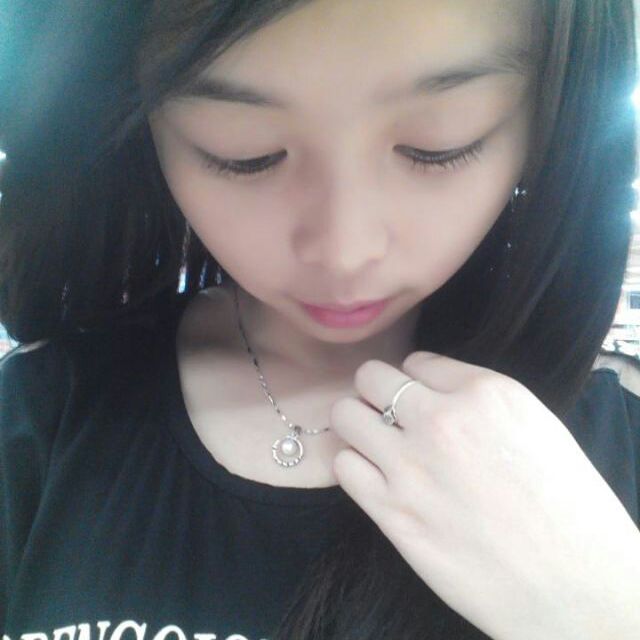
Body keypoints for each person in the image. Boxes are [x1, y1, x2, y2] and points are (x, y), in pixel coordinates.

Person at [1, 0, 639, 638]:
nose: (344, 252)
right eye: (245, 153)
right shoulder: (38, 420)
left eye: (438, 145)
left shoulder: (617, 442)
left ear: (550, 120)